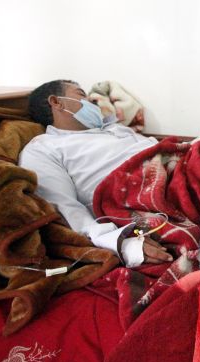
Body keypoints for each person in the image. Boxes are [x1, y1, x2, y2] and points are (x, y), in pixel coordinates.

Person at [19, 80, 172, 267]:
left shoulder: (115, 129)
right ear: (57, 102)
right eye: (81, 94)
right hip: (143, 191)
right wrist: (120, 243)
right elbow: (64, 209)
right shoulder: (43, 148)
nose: (93, 102)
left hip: (175, 168)